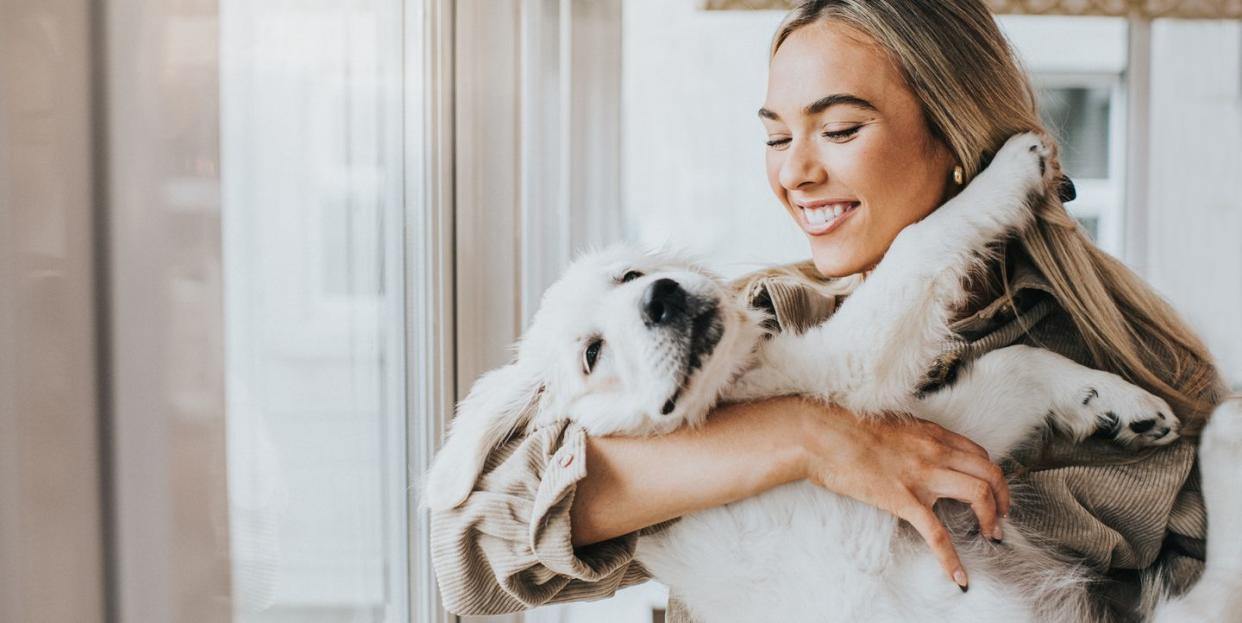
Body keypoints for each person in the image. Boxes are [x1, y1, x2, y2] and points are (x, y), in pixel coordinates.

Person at [429, 1, 1226, 621]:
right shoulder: (754, 325)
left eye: (840, 128)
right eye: (776, 137)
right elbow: (470, 551)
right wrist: (809, 436)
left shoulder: (1125, 362)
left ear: (956, 136)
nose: (796, 173)